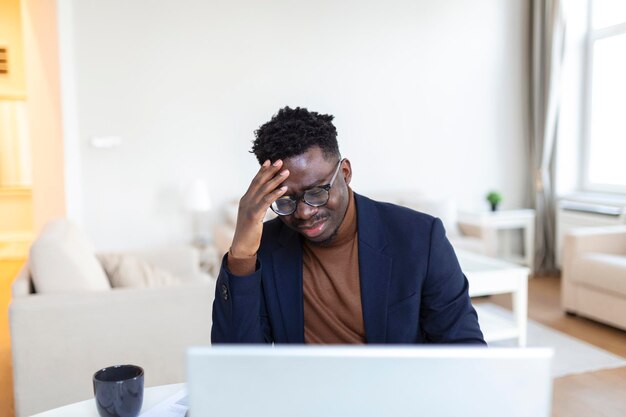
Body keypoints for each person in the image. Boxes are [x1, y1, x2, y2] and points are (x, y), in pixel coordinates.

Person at [212, 106, 485, 344]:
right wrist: (242, 256)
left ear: (345, 173)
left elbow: (463, 346)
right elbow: (235, 365)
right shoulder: (264, 250)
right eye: (285, 201)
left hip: (396, 398)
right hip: (305, 399)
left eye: (317, 192)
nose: (305, 212)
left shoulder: (420, 238)